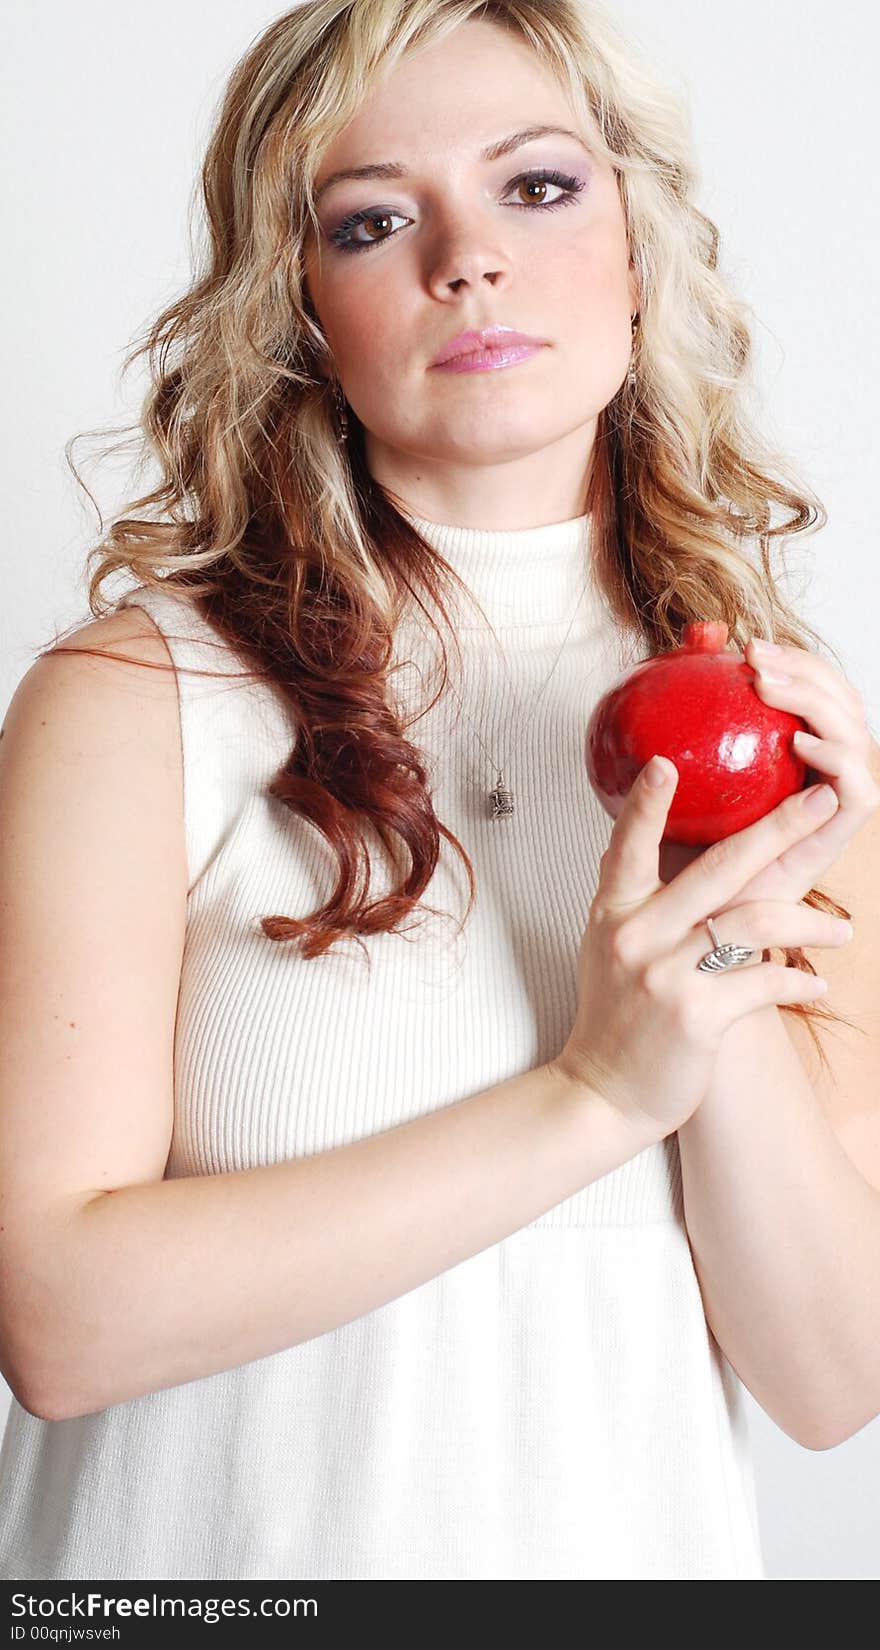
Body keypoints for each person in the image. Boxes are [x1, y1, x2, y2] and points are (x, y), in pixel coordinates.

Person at [1, 0, 878, 1584]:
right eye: (373, 218)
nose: (466, 257)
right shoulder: (136, 701)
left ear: (637, 255)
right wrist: (594, 1095)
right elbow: (57, 1320)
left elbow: (830, 1378)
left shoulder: (786, 728)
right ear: (301, 314)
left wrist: (722, 943)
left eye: (537, 187)